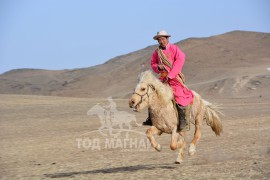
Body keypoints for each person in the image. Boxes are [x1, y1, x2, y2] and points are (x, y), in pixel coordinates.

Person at [143, 30, 194, 131]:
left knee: (179, 97)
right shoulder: (156, 52)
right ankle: (151, 118)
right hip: (162, 78)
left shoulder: (175, 49)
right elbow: (153, 63)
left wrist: (170, 76)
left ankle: (183, 121)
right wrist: (158, 66)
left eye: (163, 39)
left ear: (167, 39)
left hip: (174, 78)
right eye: (159, 40)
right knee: (152, 95)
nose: (161, 41)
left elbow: (179, 61)